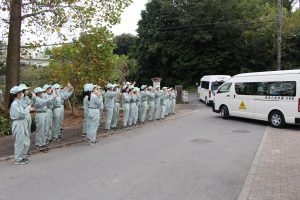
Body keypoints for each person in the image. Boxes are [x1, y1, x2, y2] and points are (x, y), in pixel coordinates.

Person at [9, 86, 32, 165]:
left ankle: (22, 156)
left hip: (22, 122)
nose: (23, 93)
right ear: (18, 94)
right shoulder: (15, 104)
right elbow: (21, 114)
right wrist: (28, 108)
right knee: (19, 141)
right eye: (22, 92)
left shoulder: (18, 102)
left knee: (26, 140)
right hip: (18, 123)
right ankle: (18, 159)